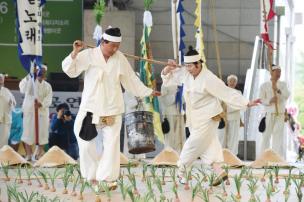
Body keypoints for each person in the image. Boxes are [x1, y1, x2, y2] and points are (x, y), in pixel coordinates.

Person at [62, 27, 160, 188]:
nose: (115, 49)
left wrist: (148, 91)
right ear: (103, 42)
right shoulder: (89, 55)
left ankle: (107, 179)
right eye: (112, 45)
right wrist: (74, 53)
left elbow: (130, 80)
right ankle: (91, 175)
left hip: (112, 109)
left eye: (118, 45)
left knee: (112, 145)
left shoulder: (120, 58)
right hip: (90, 108)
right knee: (84, 142)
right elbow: (70, 70)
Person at [161, 46, 260, 186]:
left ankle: (181, 171)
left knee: (192, 143)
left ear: (198, 64)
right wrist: (168, 69)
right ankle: (219, 171)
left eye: (190, 66)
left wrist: (247, 103)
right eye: (186, 66)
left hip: (208, 117)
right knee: (208, 145)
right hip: (194, 117)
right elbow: (169, 77)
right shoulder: (186, 73)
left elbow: (226, 92)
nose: (188, 69)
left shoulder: (209, 78)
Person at [19, 65, 53, 161]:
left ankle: (38, 154)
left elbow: (49, 98)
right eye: (39, 70)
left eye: (43, 71)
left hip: (42, 112)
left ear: (45, 72)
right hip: (30, 112)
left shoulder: (48, 86)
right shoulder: (30, 82)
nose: (41, 72)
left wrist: (41, 104)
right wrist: (29, 75)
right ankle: (29, 154)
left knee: (42, 134)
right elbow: (22, 89)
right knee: (27, 133)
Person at [259, 65, 290, 158]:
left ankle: (276, 159)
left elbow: (287, 95)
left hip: (280, 113)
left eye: (279, 72)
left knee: (278, 135)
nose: (278, 74)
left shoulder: (283, 84)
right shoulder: (264, 85)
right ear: (271, 72)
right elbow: (261, 99)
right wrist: (270, 100)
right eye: (277, 72)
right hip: (268, 113)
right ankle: (263, 158)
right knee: (266, 136)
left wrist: (278, 90)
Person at [160, 84, 185, 153]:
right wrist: (175, 94)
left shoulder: (181, 84)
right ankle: (169, 155)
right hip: (169, 114)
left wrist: (181, 95)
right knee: (170, 137)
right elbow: (165, 101)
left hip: (180, 113)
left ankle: (179, 155)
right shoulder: (165, 84)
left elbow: (183, 100)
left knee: (180, 136)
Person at [224, 74, 243, 155]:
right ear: (227, 82)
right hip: (224, 118)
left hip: (235, 117)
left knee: (234, 138)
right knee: (223, 137)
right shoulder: (222, 91)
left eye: (234, 81)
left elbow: (239, 105)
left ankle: (233, 155)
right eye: (230, 81)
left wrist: (227, 109)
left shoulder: (238, 93)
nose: (232, 82)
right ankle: (223, 155)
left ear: (236, 83)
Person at [0, 74, 16, 148]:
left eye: (1, 78)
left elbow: (13, 102)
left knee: (4, 140)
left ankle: (2, 157)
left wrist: (11, 102)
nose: (0, 80)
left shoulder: (7, 91)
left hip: (5, 119)